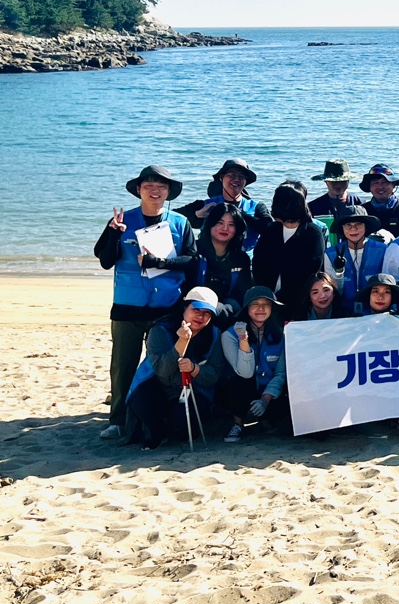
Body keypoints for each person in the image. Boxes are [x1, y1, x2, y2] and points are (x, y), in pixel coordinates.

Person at [95, 164, 196, 439]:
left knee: (163, 365)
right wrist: (114, 233)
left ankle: (156, 416)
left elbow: (191, 260)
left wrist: (160, 262)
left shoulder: (179, 223)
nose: (155, 190)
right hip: (128, 306)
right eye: (149, 185)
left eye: (161, 186)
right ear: (139, 189)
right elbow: (104, 260)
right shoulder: (121, 220)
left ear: (168, 192)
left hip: (166, 306)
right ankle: (118, 420)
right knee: (122, 366)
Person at [123, 286, 223, 449]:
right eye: (196, 309)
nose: (201, 316)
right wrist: (181, 342)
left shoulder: (214, 335)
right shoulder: (160, 329)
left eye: (207, 313)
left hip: (193, 389)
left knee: (181, 424)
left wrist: (194, 369)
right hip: (156, 384)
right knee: (143, 403)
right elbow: (162, 369)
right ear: (185, 308)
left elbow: (214, 374)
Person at [216, 286, 290, 442]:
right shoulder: (229, 335)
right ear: (247, 308)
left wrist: (265, 399)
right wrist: (243, 340)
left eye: (266, 304)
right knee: (240, 384)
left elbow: (280, 374)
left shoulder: (282, 335)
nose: (261, 308)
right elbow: (245, 372)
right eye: (255, 304)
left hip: (268, 390)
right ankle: (238, 424)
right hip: (241, 386)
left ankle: (265, 420)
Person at [252, 182, 327, 321]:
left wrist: (284, 296)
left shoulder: (312, 232)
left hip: (299, 299)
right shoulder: (271, 230)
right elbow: (258, 262)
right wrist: (266, 292)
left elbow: (311, 269)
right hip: (267, 294)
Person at [177, 158, 273, 251]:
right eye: (232, 175)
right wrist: (198, 215)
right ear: (221, 177)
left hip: (247, 262)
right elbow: (172, 219)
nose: (236, 179)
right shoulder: (206, 205)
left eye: (241, 176)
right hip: (211, 262)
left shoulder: (256, 207)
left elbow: (270, 230)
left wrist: (238, 215)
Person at [190, 202, 252, 326]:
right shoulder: (194, 250)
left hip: (226, 308)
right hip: (195, 305)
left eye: (231, 225)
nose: (225, 228)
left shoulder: (241, 258)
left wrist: (228, 305)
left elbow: (243, 291)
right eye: (220, 223)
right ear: (210, 224)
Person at [324, 205, 387, 316]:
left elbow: (388, 283)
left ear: (366, 226)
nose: (353, 229)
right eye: (348, 225)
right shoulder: (330, 254)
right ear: (342, 228)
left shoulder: (383, 249)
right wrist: (338, 271)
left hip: (374, 310)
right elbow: (335, 290)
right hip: (343, 311)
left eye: (358, 224)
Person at [361, 164, 399, 239]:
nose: (380, 187)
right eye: (375, 183)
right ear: (369, 186)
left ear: (393, 185)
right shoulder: (362, 212)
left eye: (385, 182)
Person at [308, 159, 364, 227]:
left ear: (348, 181)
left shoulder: (360, 204)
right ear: (326, 182)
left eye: (342, 181)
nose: (338, 185)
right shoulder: (313, 207)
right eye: (334, 182)